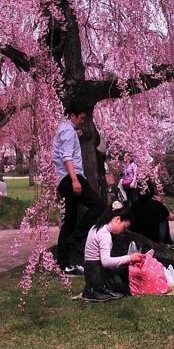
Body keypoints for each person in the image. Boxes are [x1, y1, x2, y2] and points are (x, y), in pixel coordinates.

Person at [52, 100, 104, 276]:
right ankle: (76, 239)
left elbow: (65, 145)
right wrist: (75, 180)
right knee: (99, 205)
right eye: (81, 118)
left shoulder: (65, 129)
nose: (83, 120)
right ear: (72, 116)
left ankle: (63, 264)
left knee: (70, 220)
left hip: (62, 180)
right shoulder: (67, 131)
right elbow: (67, 157)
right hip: (71, 178)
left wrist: (77, 133)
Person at [82, 204, 143, 301]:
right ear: (117, 219)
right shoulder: (105, 234)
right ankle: (95, 291)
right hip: (96, 272)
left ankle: (94, 290)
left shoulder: (96, 227)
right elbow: (106, 262)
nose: (122, 231)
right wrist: (129, 258)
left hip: (91, 270)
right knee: (125, 289)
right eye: (123, 228)